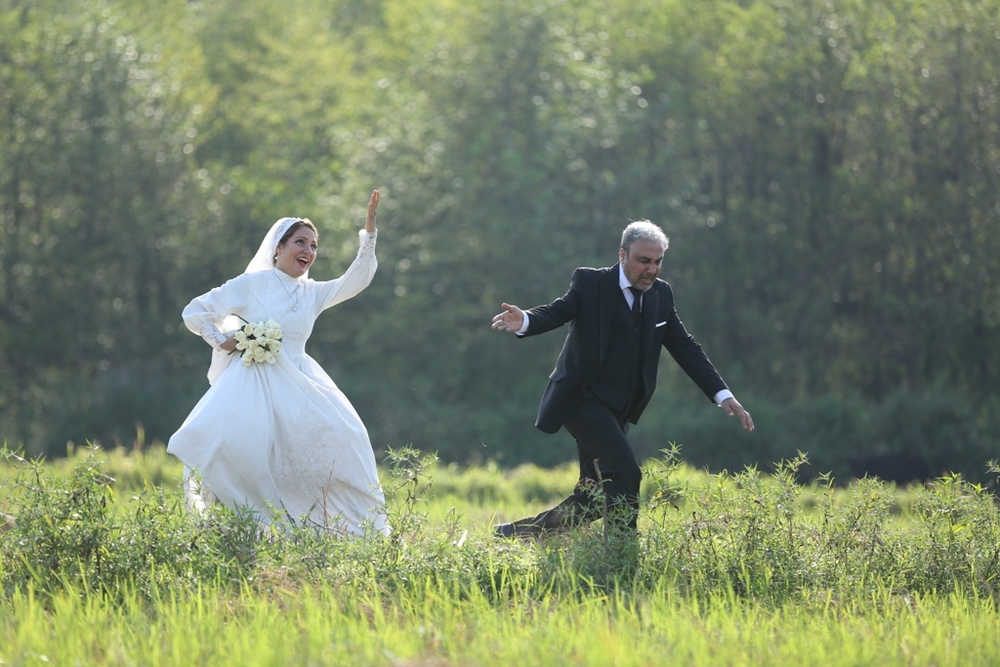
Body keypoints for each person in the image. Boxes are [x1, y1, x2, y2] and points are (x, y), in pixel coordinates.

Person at [491, 220, 753, 538]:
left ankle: (514, 533)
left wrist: (723, 394)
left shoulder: (661, 295)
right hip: (582, 399)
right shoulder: (590, 282)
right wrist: (526, 320)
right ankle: (621, 560)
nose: (651, 269)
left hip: (619, 409)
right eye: (644, 260)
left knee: (591, 497)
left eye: (657, 262)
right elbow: (559, 311)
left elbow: (685, 346)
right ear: (623, 255)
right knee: (625, 472)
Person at [167, 190, 389, 537]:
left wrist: (370, 232)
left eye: (314, 246)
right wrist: (226, 340)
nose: (309, 252)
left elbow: (355, 280)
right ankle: (236, 530)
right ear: (278, 248)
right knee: (239, 453)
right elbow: (195, 310)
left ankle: (338, 529)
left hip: (299, 381)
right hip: (253, 384)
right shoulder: (253, 284)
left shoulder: (312, 292)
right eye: (301, 242)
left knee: (349, 436)